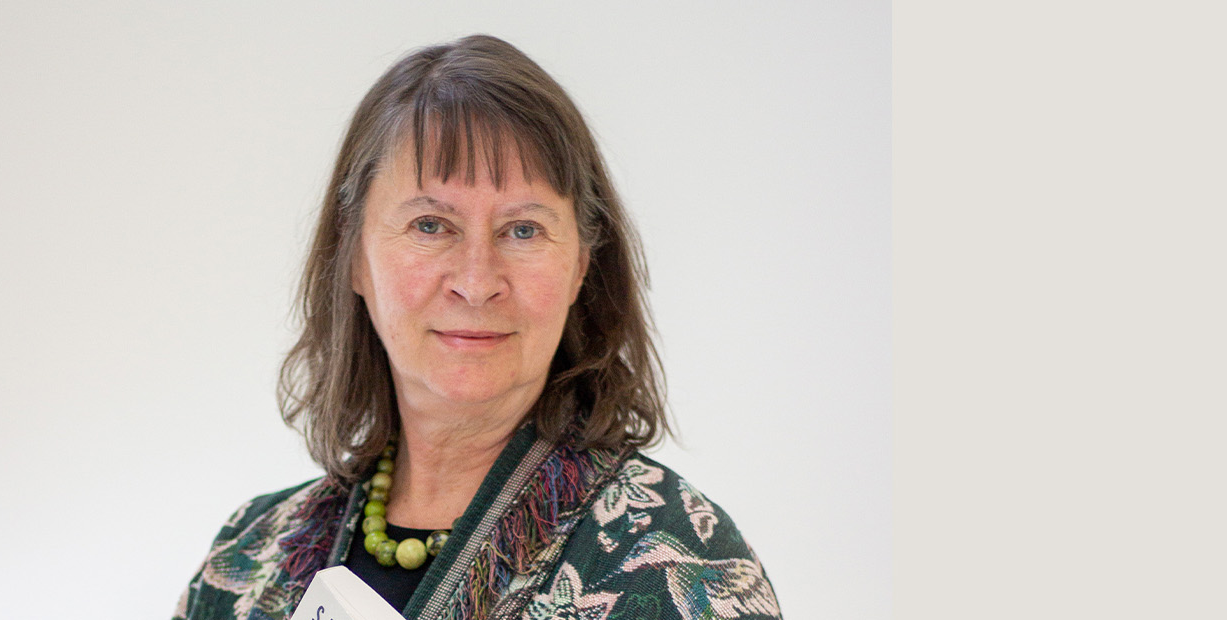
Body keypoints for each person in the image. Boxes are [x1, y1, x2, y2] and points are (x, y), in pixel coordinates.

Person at [173, 34, 782, 620]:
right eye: (431, 225)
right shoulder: (245, 563)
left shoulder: (675, 563)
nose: (476, 279)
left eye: (523, 230)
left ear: (580, 268)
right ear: (354, 255)